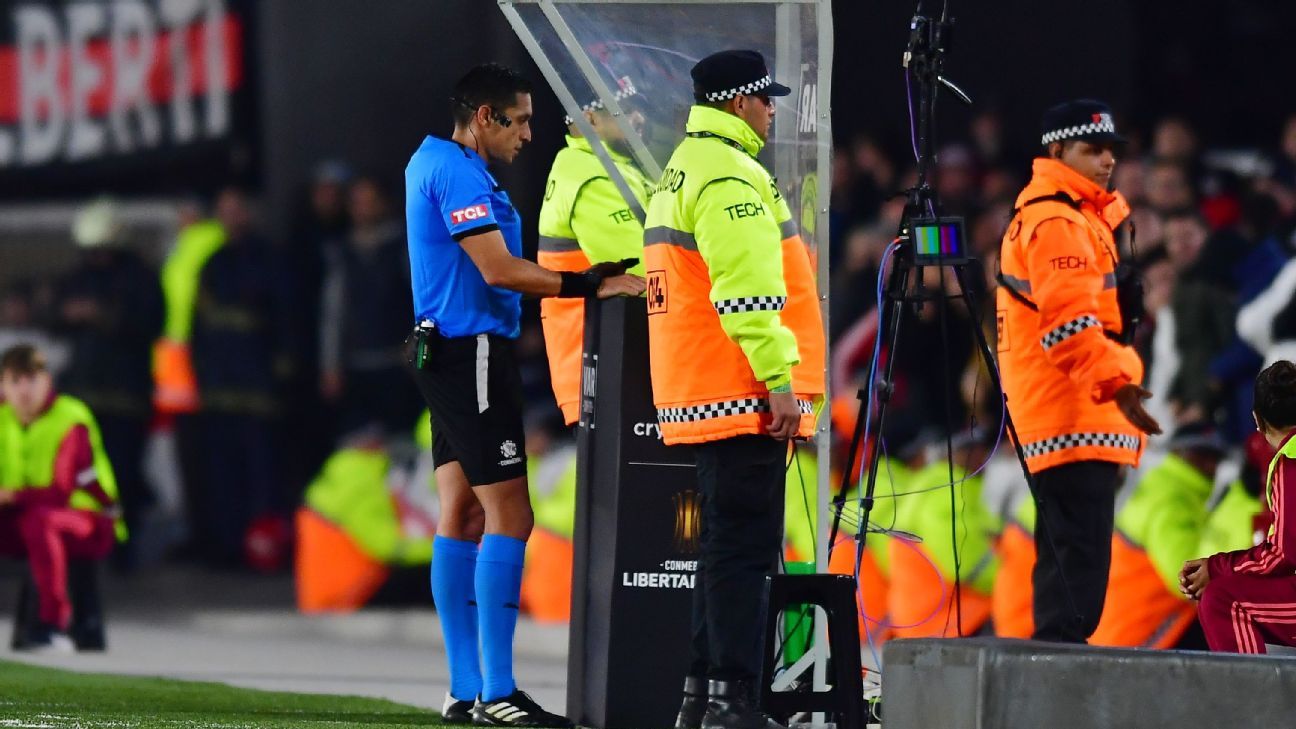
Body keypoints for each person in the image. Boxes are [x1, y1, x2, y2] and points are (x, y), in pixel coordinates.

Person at [404, 63, 642, 726]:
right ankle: (498, 690)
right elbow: (498, 268)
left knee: (462, 513)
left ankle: (464, 687)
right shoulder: (454, 171)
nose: (530, 134)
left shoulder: (438, 164)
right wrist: (585, 284)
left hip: (450, 351)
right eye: (521, 120)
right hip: (471, 355)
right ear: (485, 117)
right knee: (511, 516)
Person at [643, 50, 825, 729]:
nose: (772, 109)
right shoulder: (730, 175)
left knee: (721, 548)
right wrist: (779, 378)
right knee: (743, 552)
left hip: (702, 387)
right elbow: (748, 292)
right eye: (763, 98)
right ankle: (732, 698)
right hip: (741, 390)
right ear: (736, 102)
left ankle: (702, 697)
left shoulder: (682, 168)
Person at [995, 99, 1163, 644]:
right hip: (1073, 414)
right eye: (1092, 150)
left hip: (1069, 412)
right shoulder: (1058, 221)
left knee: (1071, 563)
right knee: (1076, 573)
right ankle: (1057, 686)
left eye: (1111, 150)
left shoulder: (1073, 218)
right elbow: (1068, 331)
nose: (1107, 161)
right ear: (1056, 151)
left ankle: (1054, 676)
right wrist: (1120, 386)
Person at [54, 199, 164, 568]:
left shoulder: (140, 279)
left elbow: (150, 322)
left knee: (123, 475)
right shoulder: (78, 277)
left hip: (126, 397)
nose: (97, 257)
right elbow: (52, 313)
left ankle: (122, 549)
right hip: (84, 396)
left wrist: (103, 316)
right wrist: (67, 313)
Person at [537, 83, 652, 425]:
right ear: (589, 118)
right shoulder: (589, 175)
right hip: (608, 376)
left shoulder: (618, 166)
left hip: (618, 370)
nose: (639, 117)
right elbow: (647, 274)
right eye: (624, 109)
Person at [0, 344, 125, 651]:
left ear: (48, 381)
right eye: (15, 381)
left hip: (89, 520)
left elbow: (62, 491)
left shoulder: (70, 419)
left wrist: (12, 495)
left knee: (41, 523)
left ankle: (52, 624)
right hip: (23, 516)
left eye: (32, 380)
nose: (25, 390)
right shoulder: (4, 420)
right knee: (35, 522)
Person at [1183, 360, 1296, 653]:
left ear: (1257, 420)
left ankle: (1249, 699)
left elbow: (1283, 556)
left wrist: (1216, 568)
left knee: (1223, 600)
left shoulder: (1290, 461)